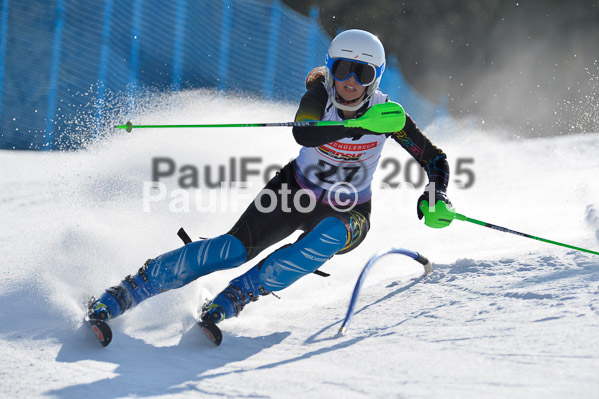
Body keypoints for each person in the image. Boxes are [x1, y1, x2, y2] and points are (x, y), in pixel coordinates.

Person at [88, 29, 454, 327]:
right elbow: (304, 134)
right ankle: (132, 289)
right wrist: (354, 126)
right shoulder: (319, 93)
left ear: (376, 78)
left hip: (350, 210)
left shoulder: (389, 115)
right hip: (294, 191)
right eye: (343, 69)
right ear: (330, 69)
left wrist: (436, 194)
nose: (350, 82)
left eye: (363, 74)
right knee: (232, 250)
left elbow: (434, 159)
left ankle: (240, 293)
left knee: (326, 236)